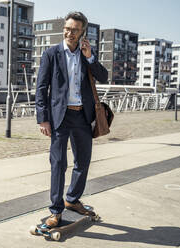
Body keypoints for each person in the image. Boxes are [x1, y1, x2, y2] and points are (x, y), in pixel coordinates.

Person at [35, 11, 108, 228]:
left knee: (83, 162)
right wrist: (43, 119)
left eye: (74, 30)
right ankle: (56, 210)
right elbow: (41, 88)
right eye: (67, 28)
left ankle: (72, 199)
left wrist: (90, 57)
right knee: (58, 163)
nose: (69, 32)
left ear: (82, 32)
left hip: (82, 116)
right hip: (59, 117)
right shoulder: (51, 54)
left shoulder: (87, 55)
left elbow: (103, 77)